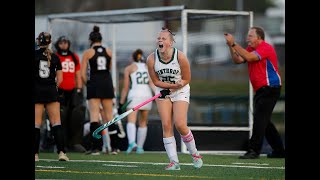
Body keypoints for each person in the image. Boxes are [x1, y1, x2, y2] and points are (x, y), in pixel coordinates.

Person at [224, 26, 285, 159]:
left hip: (271, 88)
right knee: (264, 121)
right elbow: (238, 60)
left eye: (250, 36)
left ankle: (254, 150)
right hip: (261, 90)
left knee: (259, 119)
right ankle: (279, 150)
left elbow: (250, 58)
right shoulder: (251, 48)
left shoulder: (265, 47)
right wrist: (231, 47)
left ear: (259, 38)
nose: (247, 39)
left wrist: (234, 43)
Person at [146, 27, 203, 170]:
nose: (160, 40)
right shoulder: (151, 59)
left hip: (181, 90)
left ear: (170, 43)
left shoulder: (180, 57)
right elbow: (155, 81)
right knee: (166, 125)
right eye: (159, 38)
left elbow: (187, 78)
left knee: (180, 124)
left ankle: (195, 154)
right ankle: (174, 162)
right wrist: (167, 87)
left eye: (163, 39)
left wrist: (174, 87)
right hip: (163, 91)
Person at [34, 32, 69, 161]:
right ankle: (61, 153)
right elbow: (60, 79)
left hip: (37, 92)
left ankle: (35, 155)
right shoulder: (55, 57)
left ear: (39, 41)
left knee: (36, 124)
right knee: (56, 123)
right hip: (51, 92)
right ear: (49, 42)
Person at [81, 25, 115, 155]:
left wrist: (87, 84)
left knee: (94, 116)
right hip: (107, 83)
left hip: (94, 84)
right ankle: (114, 147)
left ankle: (96, 147)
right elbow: (109, 68)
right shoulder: (109, 51)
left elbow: (83, 74)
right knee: (109, 115)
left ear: (91, 40)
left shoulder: (88, 52)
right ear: (101, 39)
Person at [118, 49, 155, 154]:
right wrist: (157, 94)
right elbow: (152, 83)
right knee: (143, 122)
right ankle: (140, 148)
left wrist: (121, 103)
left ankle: (132, 143)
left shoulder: (129, 68)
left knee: (131, 121)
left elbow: (125, 88)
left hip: (134, 96)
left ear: (133, 57)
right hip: (147, 96)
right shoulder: (148, 68)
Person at [54, 35, 86, 153]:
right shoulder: (55, 56)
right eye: (62, 43)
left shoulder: (74, 56)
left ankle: (75, 142)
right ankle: (61, 143)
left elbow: (78, 74)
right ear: (58, 44)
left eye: (66, 43)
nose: (64, 45)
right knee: (61, 116)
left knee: (75, 116)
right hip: (60, 91)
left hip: (72, 91)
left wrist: (79, 88)